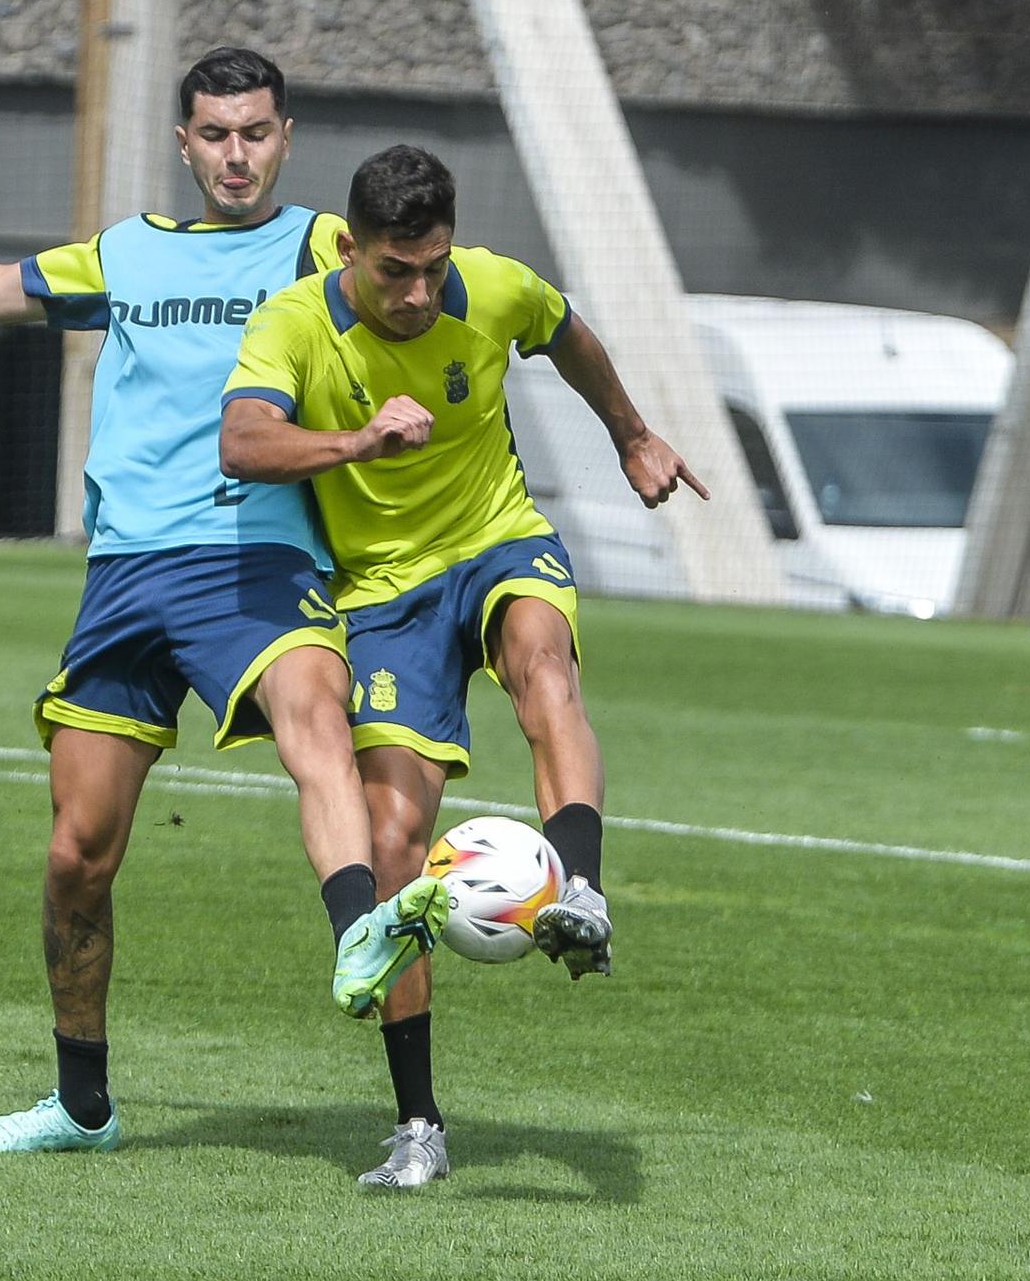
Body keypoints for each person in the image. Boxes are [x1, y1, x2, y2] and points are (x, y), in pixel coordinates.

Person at [0, 51, 446, 1158]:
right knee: (76, 852)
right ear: (184, 142)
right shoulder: (121, 252)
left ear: (287, 138)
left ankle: (359, 950)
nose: (237, 154)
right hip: (128, 571)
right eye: (216, 135)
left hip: (256, 557)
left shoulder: (326, 244)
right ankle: (81, 1106)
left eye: (257, 133)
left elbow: (437, 280)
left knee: (316, 729)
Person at [219, 144, 707, 1188]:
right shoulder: (293, 322)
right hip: (381, 593)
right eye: (395, 269)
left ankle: (579, 886)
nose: (417, 291)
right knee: (394, 843)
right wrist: (357, 441)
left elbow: (566, 333)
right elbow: (243, 443)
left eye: (430, 266)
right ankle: (418, 1125)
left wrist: (630, 434)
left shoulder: (490, 286)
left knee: (544, 670)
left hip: (497, 540)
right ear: (349, 248)